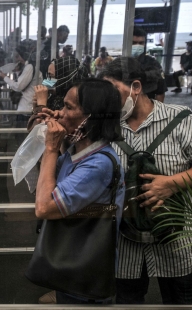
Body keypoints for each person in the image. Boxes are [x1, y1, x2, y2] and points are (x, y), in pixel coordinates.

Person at [99, 57, 192, 305]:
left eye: (113, 92)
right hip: (125, 247)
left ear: (136, 87)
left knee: (181, 302)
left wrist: (172, 183)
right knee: (127, 301)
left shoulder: (185, 121)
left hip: (179, 243)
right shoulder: (104, 127)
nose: (107, 100)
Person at [34, 79, 125, 304]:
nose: (60, 113)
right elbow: (45, 177)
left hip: (84, 272)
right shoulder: (78, 151)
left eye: (68, 107)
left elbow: (44, 207)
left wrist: (51, 147)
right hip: (71, 263)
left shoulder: (98, 164)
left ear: (90, 117)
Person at [0, 45, 41, 117]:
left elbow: (18, 86)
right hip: (26, 106)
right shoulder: (28, 67)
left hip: (27, 107)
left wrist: (5, 77)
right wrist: (17, 72)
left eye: (17, 56)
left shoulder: (29, 67)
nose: (17, 59)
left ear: (23, 56)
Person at [132, 27, 166, 102]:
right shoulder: (119, 63)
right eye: (134, 43)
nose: (137, 46)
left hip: (146, 107)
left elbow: (160, 92)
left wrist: (156, 112)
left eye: (141, 43)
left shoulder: (153, 64)